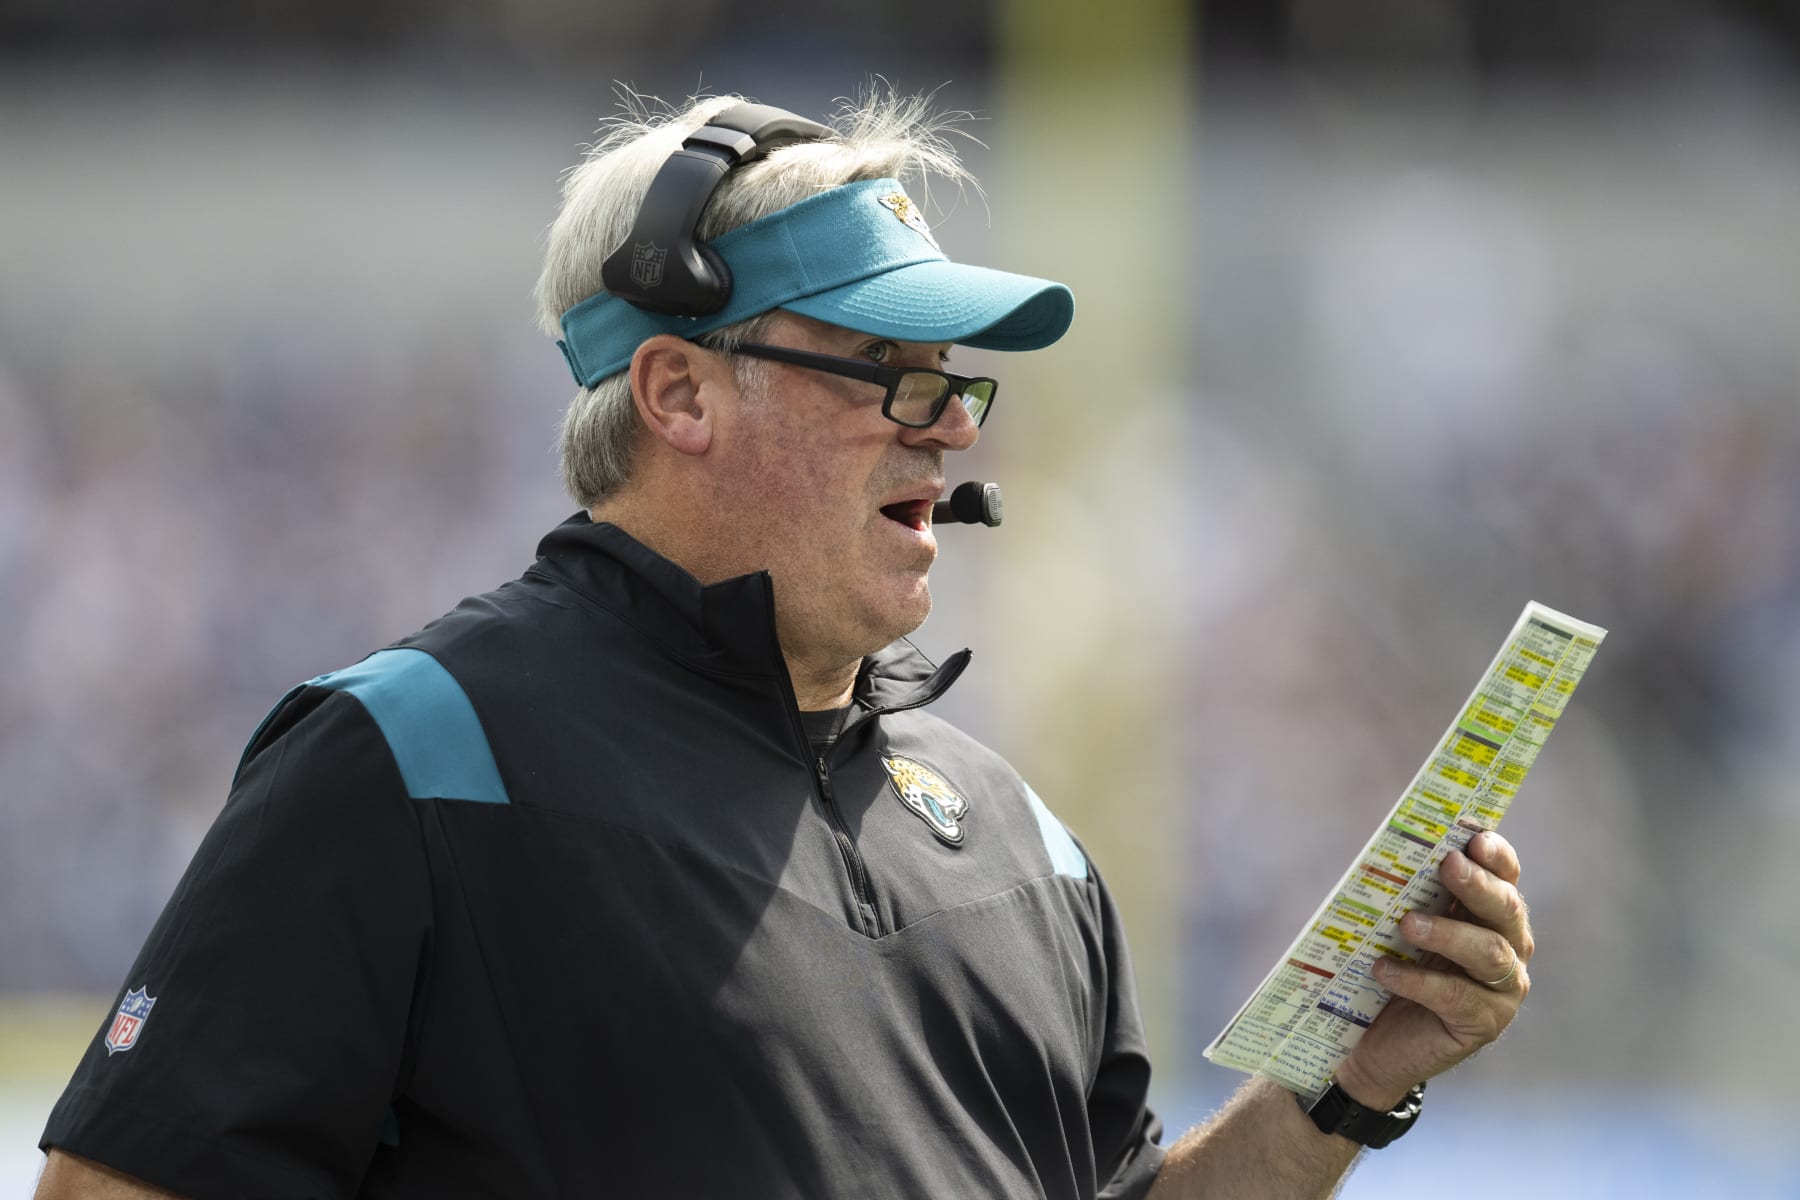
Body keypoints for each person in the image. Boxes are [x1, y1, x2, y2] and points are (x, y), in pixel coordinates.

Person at [36, 91, 1535, 1200]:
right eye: (885, 373)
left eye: (953, 380)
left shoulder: (1017, 838)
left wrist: (1338, 1087)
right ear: (679, 393)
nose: (950, 424)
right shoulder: (415, 759)